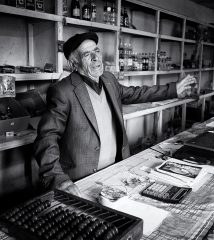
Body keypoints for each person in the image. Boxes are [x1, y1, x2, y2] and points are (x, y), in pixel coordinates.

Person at [34, 32, 196, 197]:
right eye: (87, 54)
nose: (96, 57)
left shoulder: (109, 79)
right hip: (80, 181)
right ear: (74, 63)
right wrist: (57, 177)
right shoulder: (63, 91)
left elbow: (137, 93)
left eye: (96, 51)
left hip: (116, 172)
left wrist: (174, 89)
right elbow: (47, 136)